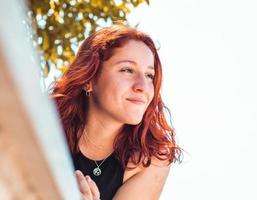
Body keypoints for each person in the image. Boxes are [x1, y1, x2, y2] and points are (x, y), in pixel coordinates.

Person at [50, 24, 182, 200]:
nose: (142, 87)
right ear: (88, 79)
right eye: (127, 70)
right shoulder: (44, 124)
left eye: (149, 75)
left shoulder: (150, 160)